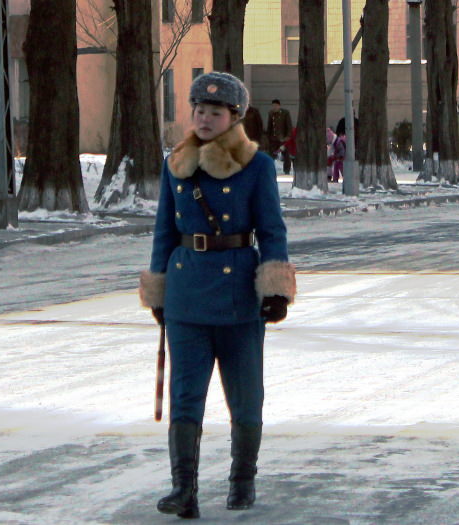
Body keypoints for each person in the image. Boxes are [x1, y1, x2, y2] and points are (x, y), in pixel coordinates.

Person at [139, 71, 296, 519]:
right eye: (200, 110)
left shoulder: (257, 166)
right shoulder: (177, 162)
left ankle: (242, 481)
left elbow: (271, 230)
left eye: (215, 112)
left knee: (245, 396)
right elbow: (164, 232)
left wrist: (275, 287)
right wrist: (159, 290)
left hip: (239, 296)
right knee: (185, 394)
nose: (205, 118)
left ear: (233, 117)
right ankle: (183, 488)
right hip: (187, 294)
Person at [265, 99, 292, 173]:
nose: (274, 107)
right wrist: (268, 137)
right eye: (273, 106)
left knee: (286, 155)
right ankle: (270, 170)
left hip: (283, 138)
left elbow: (289, 125)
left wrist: (288, 137)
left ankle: (286, 170)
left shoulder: (285, 113)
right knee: (271, 155)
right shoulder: (271, 113)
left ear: (279, 106)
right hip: (273, 138)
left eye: (276, 106)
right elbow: (269, 126)